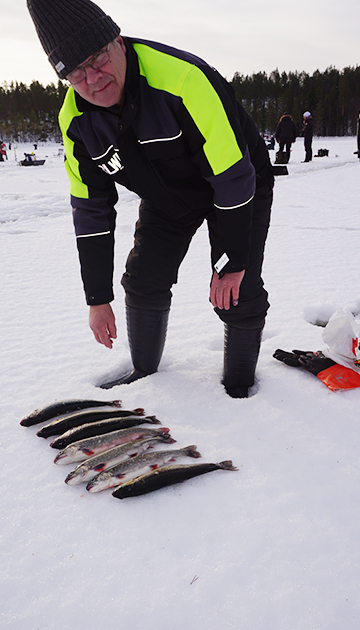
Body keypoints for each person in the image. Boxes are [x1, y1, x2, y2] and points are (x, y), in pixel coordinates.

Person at [27, 0, 274, 398]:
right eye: (75, 72)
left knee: (236, 291)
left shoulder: (182, 79)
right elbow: (91, 209)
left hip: (238, 186)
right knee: (142, 281)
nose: (92, 78)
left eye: (97, 57)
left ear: (119, 42)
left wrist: (231, 263)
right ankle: (146, 377)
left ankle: (240, 388)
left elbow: (232, 177)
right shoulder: (75, 121)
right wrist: (97, 298)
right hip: (166, 197)